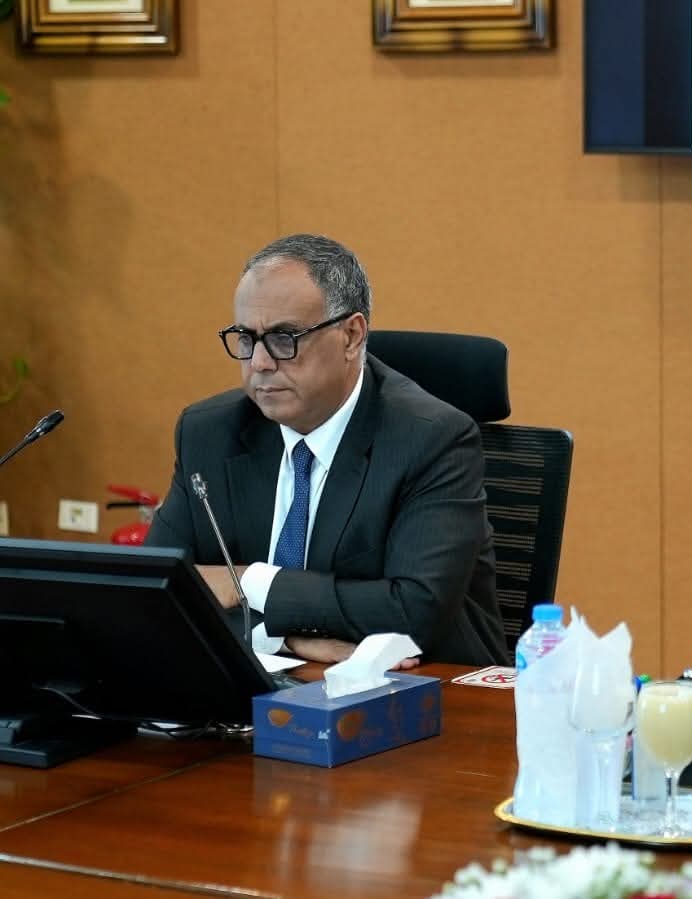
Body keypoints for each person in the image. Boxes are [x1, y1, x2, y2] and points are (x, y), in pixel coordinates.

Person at [146, 234, 509, 667]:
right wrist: (277, 639)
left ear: (352, 336)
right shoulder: (209, 431)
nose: (259, 362)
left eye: (284, 337)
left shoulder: (432, 440)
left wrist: (249, 581)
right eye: (245, 338)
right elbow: (153, 594)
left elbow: (414, 611)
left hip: (423, 686)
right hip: (270, 681)